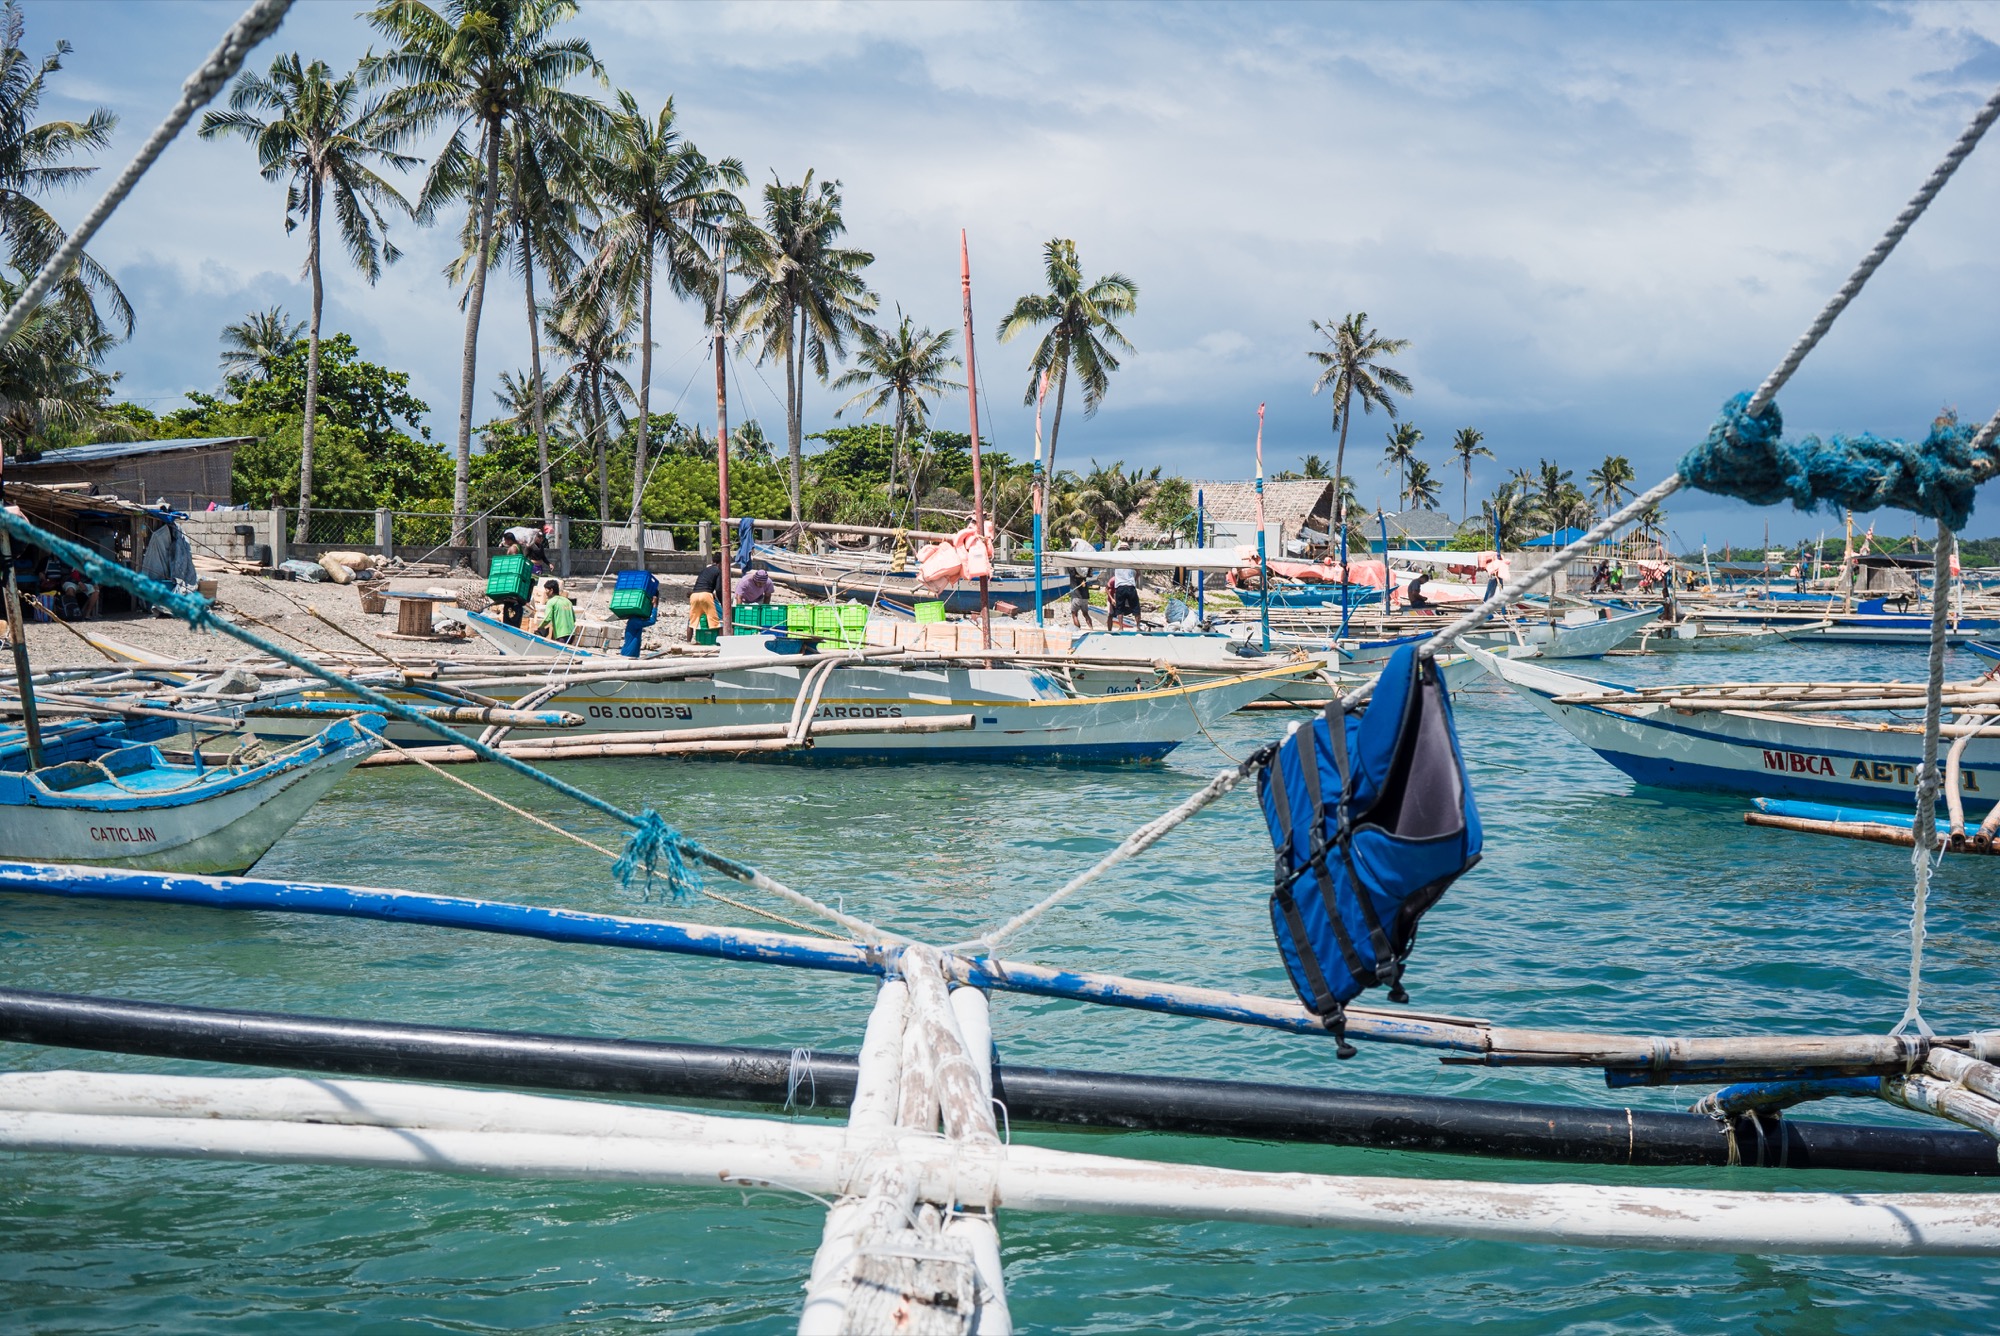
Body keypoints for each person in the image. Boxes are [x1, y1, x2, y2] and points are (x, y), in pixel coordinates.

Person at [1106, 544, 1141, 631]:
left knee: (1120, 608)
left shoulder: (1117, 560)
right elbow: (1138, 572)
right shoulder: (1132, 560)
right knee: (1135, 607)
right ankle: (1137, 626)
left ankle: (1121, 628)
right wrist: (1134, 580)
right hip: (1130, 586)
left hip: (1120, 587)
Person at [688, 552, 723, 638]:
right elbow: (718, 589)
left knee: (691, 622)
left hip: (694, 595)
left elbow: (701, 583)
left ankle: (688, 642)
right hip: (706, 596)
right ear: (722, 562)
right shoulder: (718, 571)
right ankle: (722, 642)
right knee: (718, 620)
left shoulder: (705, 570)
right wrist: (722, 603)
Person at [537, 579, 576, 644]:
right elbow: (574, 619)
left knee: (559, 653)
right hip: (572, 634)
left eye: (546, 590)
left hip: (561, 635)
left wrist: (539, 627)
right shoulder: (568, 601)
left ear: (551, 590)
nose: (545, 592)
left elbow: (547, 618)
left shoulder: (551, 602)